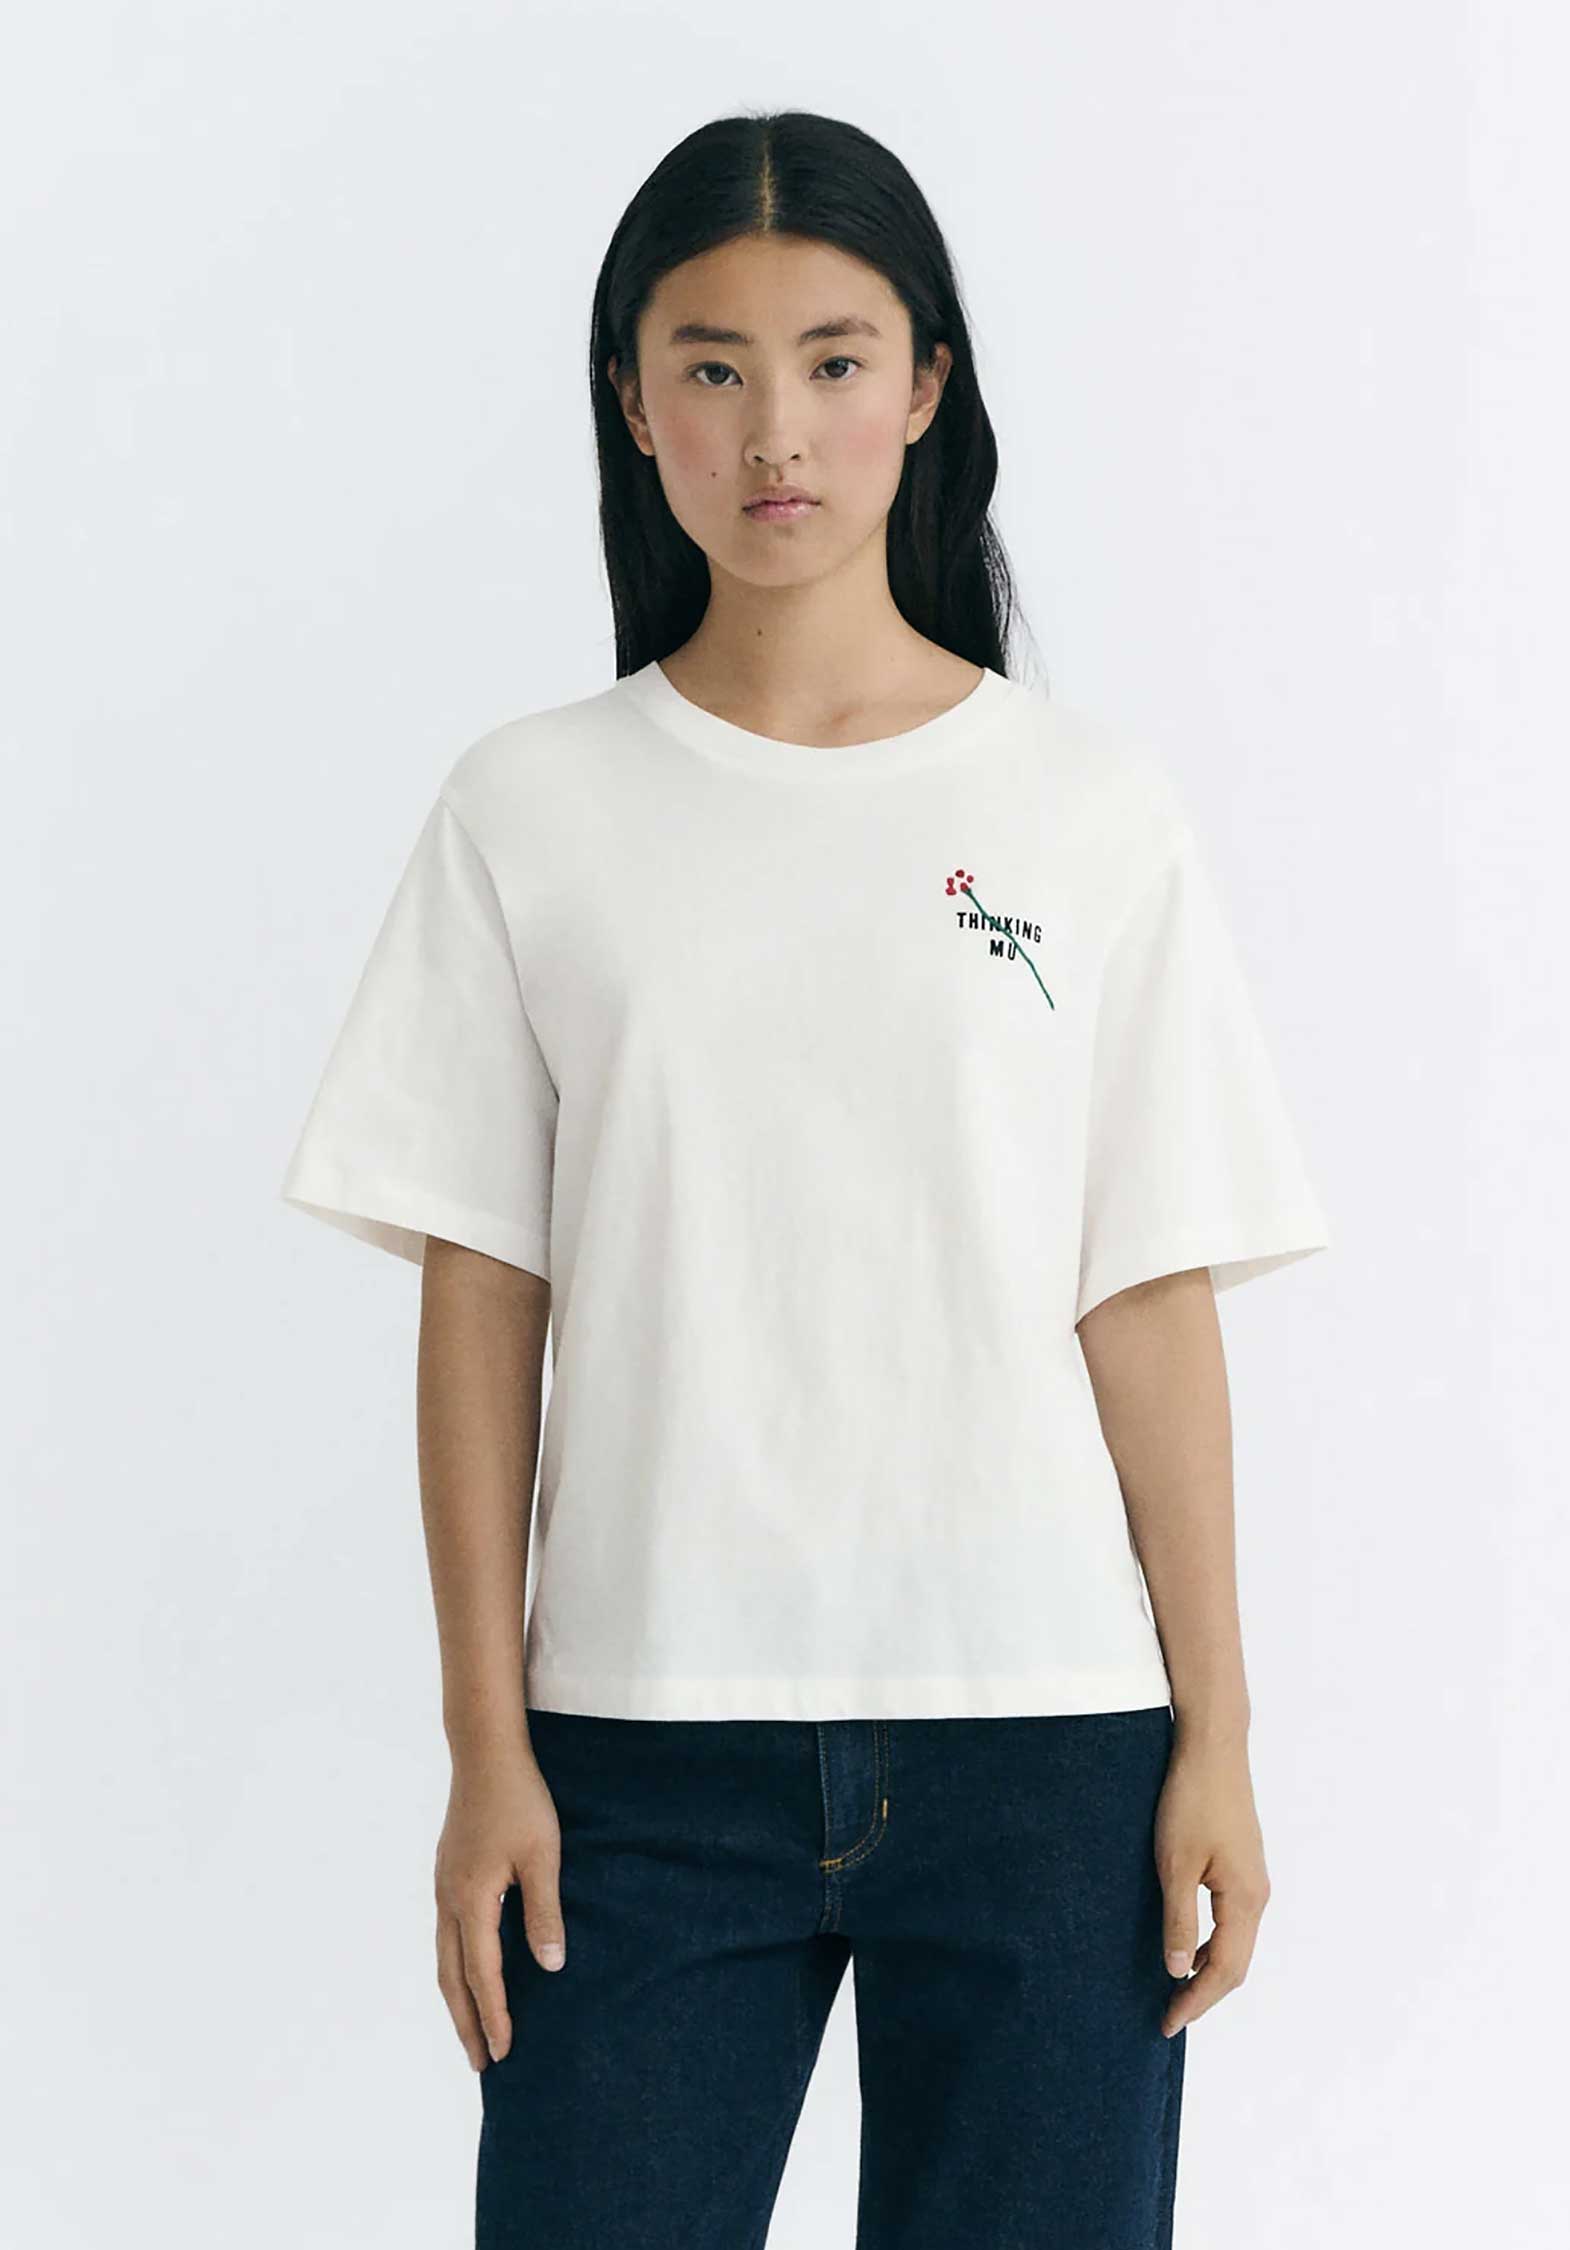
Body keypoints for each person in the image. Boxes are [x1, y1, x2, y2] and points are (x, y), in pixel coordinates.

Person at [279, 107, 1330, 2250]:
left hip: (1044, 1740)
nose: (776, 430)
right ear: (631, 400)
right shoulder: (529, 811)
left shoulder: (1086, 812)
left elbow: (1142, 1296)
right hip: (636, 1754)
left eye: (835, 361)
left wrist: (1214, 1736)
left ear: (925, 388)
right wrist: (487, 1747)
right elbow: (482, 1301)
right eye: (714, 365)